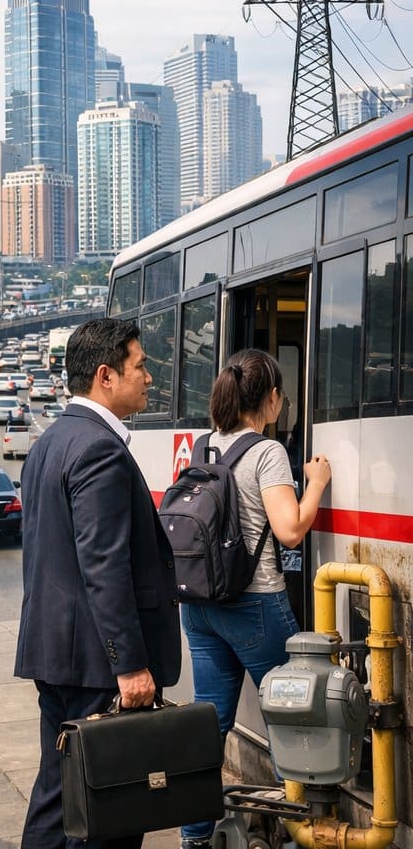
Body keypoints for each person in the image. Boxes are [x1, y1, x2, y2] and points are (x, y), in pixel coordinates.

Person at [15, 317, 180, 849]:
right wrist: (129, 665)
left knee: (57, 795)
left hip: (57, 652)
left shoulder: (50, 443)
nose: (149, 377)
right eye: (141, 365)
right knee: (108, 812)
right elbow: (103, 566)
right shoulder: (99, 449)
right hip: (96, 664)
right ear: (106, 376)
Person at [179, 349, 331, 849]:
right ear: (269, 399)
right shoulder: (265, 453)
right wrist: (316, 485)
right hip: (255, 606)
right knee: (295, 721)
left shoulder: (204, 448)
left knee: (209, 727)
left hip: (200, 606)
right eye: (281, 395)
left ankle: (195, 838)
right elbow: (290, 531)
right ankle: (304, 832)